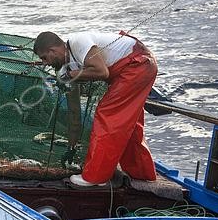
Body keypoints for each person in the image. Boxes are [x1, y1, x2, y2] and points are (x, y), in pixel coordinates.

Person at [33, 31, 158, 186]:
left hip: (138, 64)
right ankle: (141, 172)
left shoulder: (78, 42)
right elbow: (74, 112)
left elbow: (102, 72)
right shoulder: (64, 70)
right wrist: (71, 147)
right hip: (133, 69)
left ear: (54, 50)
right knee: (129, 124)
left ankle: (95, 177)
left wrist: (70, 75)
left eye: (44, 57)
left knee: (108, 114)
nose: (45, 63)